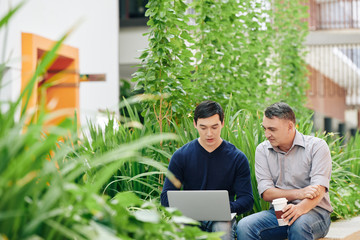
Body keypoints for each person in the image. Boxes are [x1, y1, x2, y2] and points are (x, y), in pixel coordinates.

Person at [237, 102, 333, 240]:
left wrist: (299, 209)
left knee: (299, 225)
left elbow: (319, 190)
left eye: (272, 129)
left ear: (290, 127)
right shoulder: (262, 150)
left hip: (315, 213)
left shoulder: (317, 147)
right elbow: (267, 193)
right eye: (264, 128)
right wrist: (300, 193)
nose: (267, 134)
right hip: (278, 214)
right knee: (245, 226)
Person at [160, 100, 254, 240]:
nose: (209, 133)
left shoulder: (237, 158)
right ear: (195, 124)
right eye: (203, 128)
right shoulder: (181, 156)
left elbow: (247, 199)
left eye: (214, 127)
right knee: (180, 229)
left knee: (221, 228)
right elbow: (165, 197)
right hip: (189, 217)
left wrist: (224, 208)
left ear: (222, 123)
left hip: (221, 217)